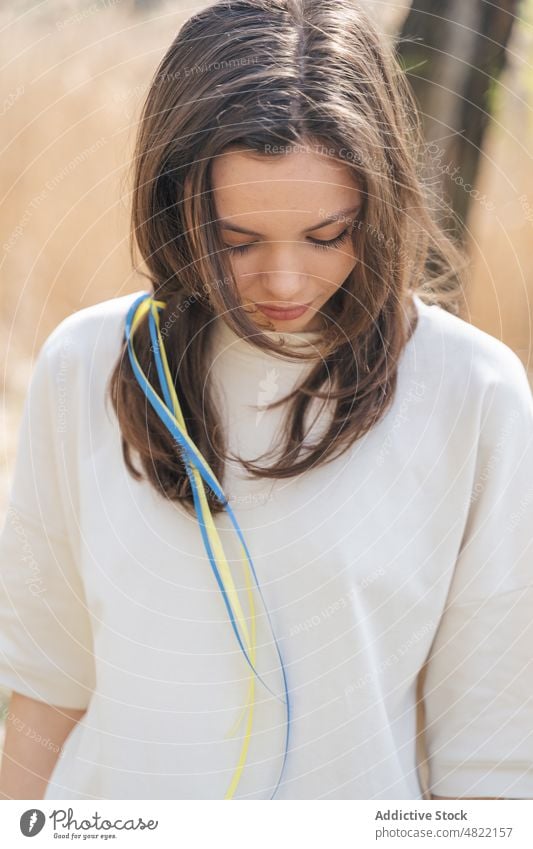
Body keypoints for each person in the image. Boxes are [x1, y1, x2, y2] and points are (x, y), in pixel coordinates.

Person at [1, 0, 532, 802]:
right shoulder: (84, 364)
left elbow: (490, 754)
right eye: (238, 240)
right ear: (176, 205)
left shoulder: (474, 392)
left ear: (380, 207)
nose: (284, 284)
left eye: (327, 235)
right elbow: (47, 690)